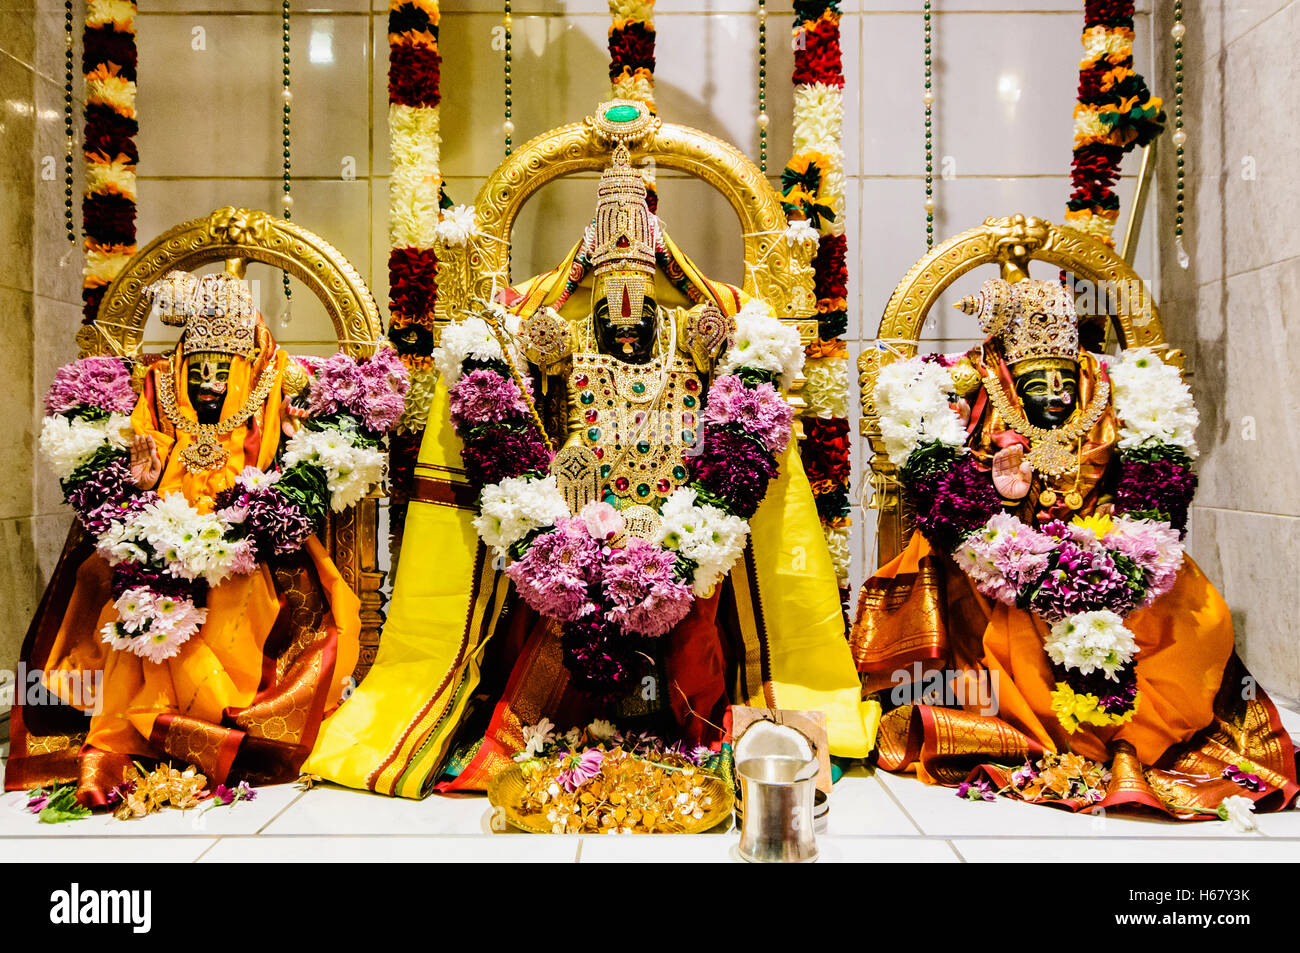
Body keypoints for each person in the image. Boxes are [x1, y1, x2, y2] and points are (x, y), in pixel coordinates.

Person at [305, 147, 877, 797]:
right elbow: (523, 405)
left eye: (638, 282)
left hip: (677, 532)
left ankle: (688, 727)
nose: (626, 300)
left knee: (687, 618)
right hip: (580, 531)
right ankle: (555, 725)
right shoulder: (556, 333)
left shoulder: (693, 329)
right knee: (562, 606)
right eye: (611, 285)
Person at [851, 277, 1298, 816]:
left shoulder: (1110, 408)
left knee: (1201, 619)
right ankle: (1050, 737)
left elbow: (1147, 496)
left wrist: (1112, 540)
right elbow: (957, 509)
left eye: (1065, 381)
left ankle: (1142, 738)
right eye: (1038, 382)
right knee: (1013, 628)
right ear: (1010, 387)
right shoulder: (979, 408)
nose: (1056, 394)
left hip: (1115, 553)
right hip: (998, 558)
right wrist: (1002, 497)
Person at [6, 271, 361, 807]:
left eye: (224, 373)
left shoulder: (282, 386)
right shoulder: (156, 390)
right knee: (102, 579)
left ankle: (211, 723)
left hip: (249, 540)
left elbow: (293, 475)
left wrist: (292, 447)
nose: (211, 386)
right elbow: (139, 465)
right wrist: (141, 489)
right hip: (153, 532)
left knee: (242, 592)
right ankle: (139, 723)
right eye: (200, 372)